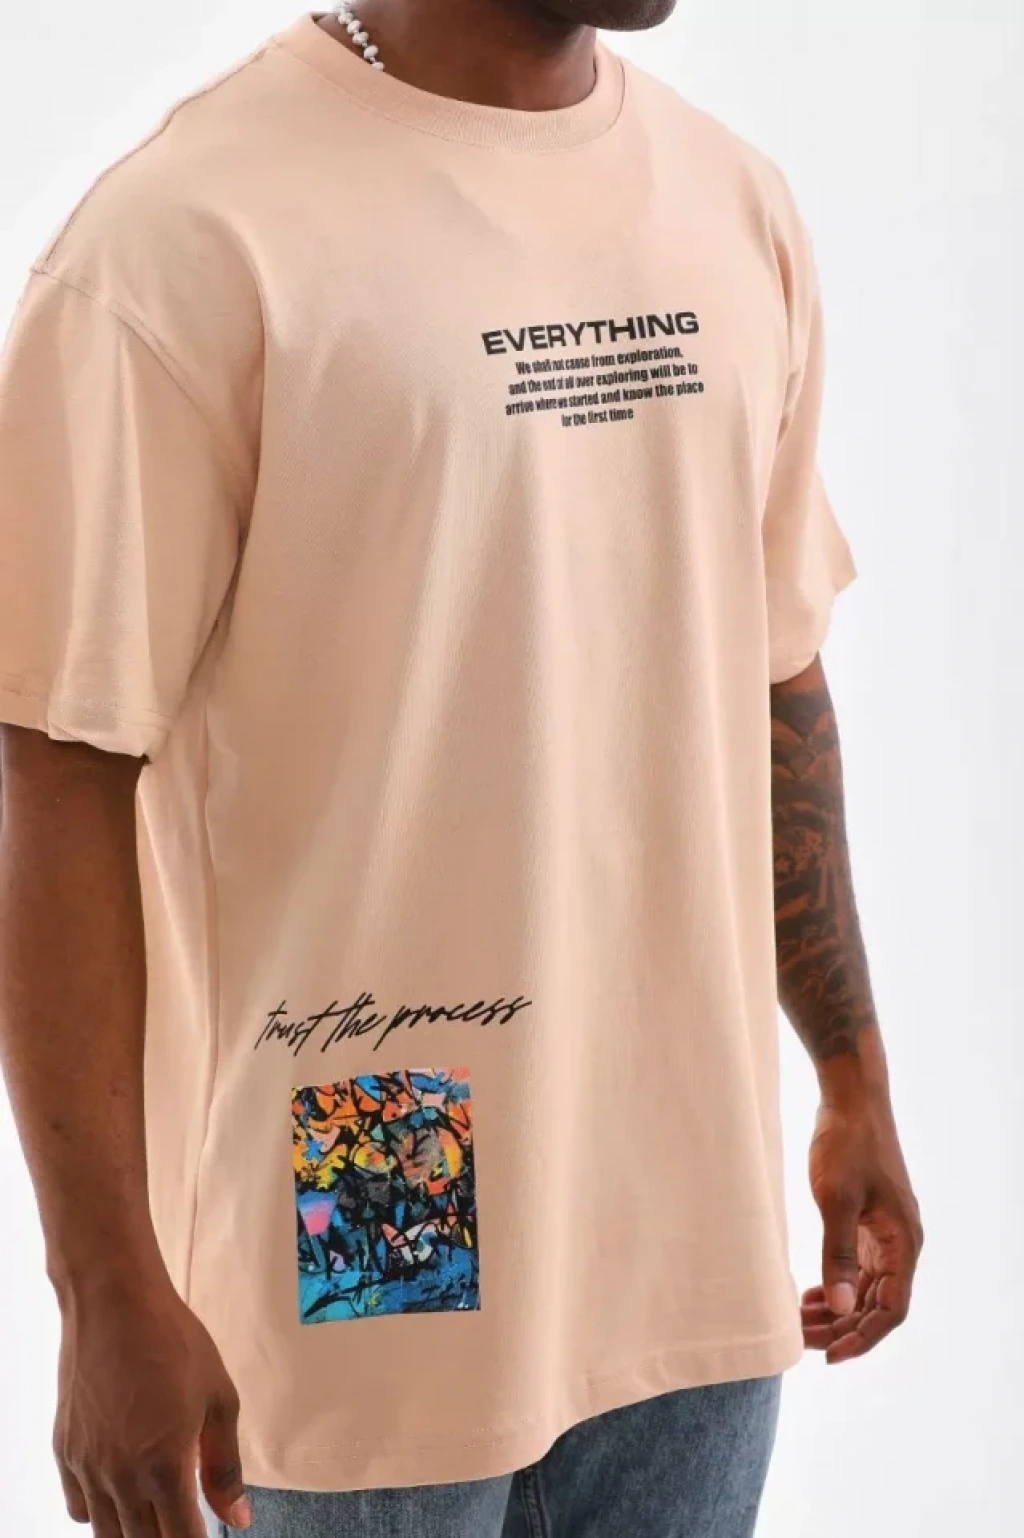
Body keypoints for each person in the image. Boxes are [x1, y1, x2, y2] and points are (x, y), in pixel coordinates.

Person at [0, 2, 923, 1535]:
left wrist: (854, 1074)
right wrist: (102, 1290)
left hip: (682, 1207)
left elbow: (776, 672)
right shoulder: (192, 237)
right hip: (378, 1152)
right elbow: (57, 761)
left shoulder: (729, 203)